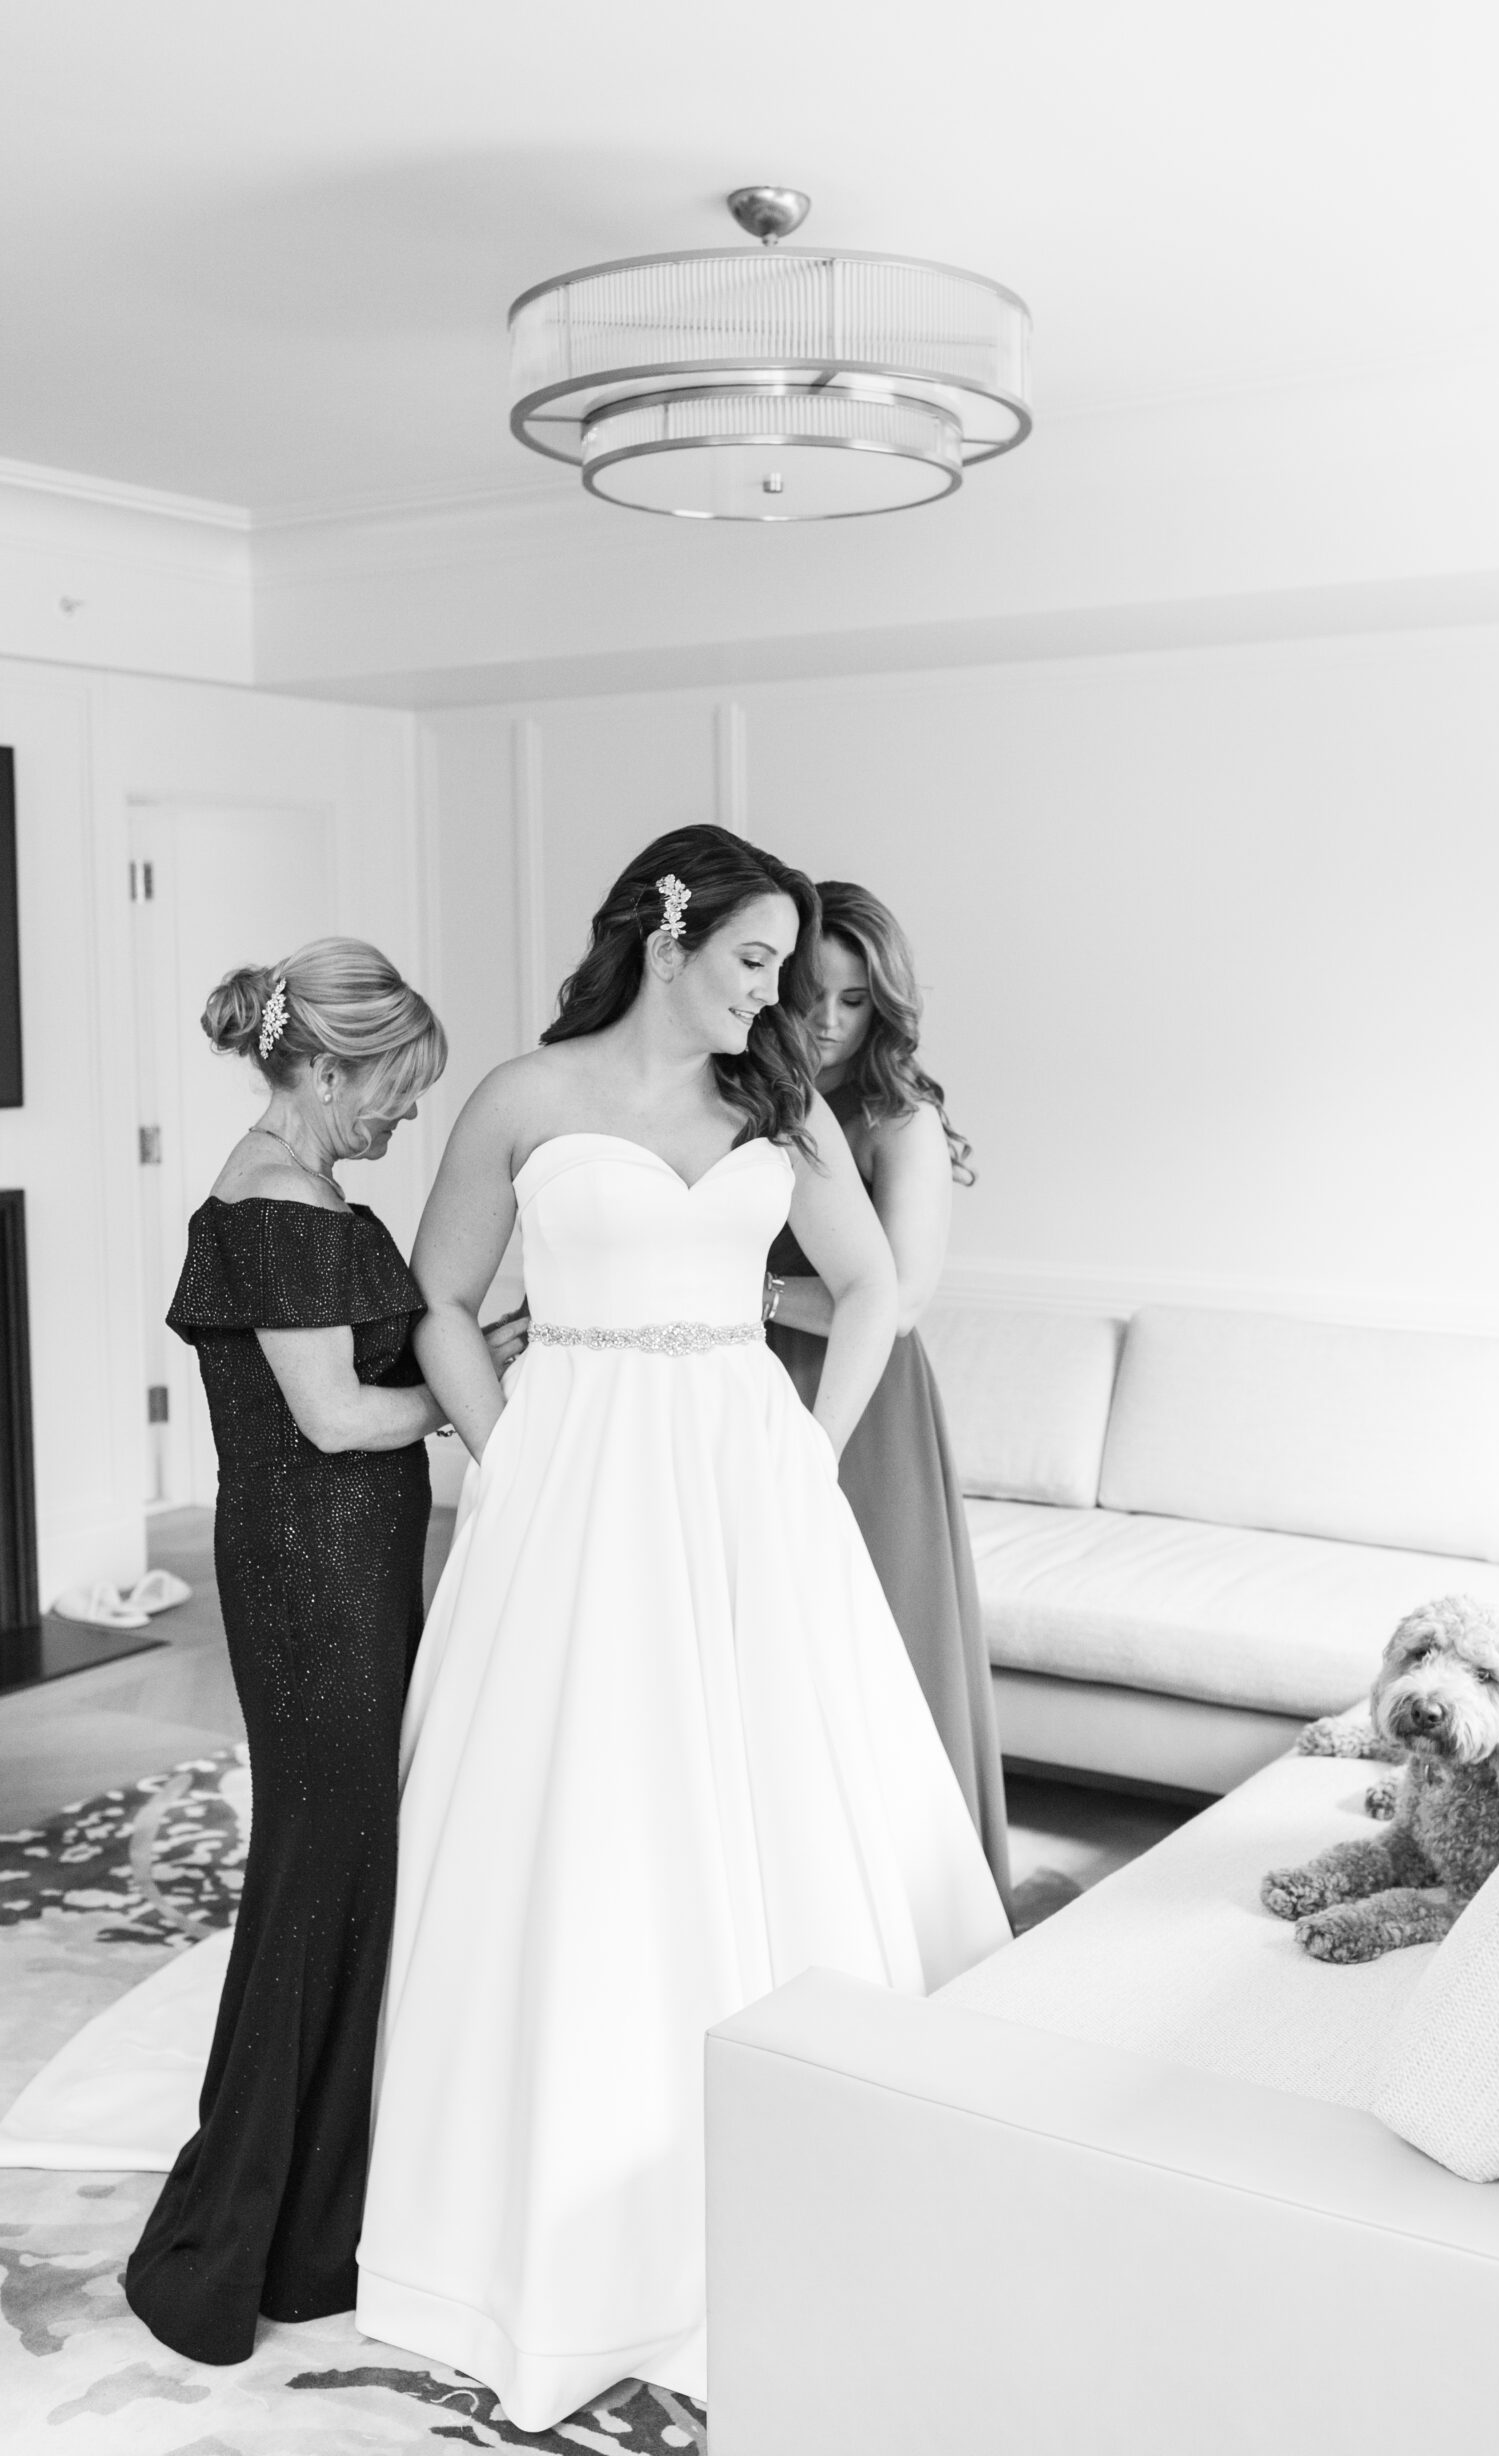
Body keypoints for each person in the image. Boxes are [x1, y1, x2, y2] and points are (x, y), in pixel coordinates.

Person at [354, 825, 1009, 2429]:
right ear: (668, 934)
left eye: (784, 967)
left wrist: (806, 1448)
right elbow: (438, 1300)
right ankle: (550, 2212)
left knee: (772, 1788)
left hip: (737, 1472)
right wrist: (505, 1445)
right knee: (572, 1808)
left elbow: (871, 1290)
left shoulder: (776, 1103)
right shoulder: (522, 1095)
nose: (777, 995)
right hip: (569, 1477)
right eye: (755, 960)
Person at [124, 937, 523, 2366]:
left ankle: (306, 2225)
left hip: (342, 1570)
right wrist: (474, 1391)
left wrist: (486, 1341)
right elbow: (338, 1418)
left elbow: (366, 1380)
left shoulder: (296, 1188)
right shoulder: (277, 1203)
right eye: (398, 1085)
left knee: (340, 1875)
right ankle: (235, 2240)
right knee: (320, 1879)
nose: (408, 1111)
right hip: (314, 1584)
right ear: (332, 1067)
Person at [767, 881, 1010, 1902]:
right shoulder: (737, 1099)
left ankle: (915, 1897)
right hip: (740, 1381)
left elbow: (899, 1297)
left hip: (863, 1398)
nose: (827, 1021)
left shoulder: (897, 1117)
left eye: (855, 1000)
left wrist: (745, 1289)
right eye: (809, 994)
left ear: (885, 1005)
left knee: (881, 1641)